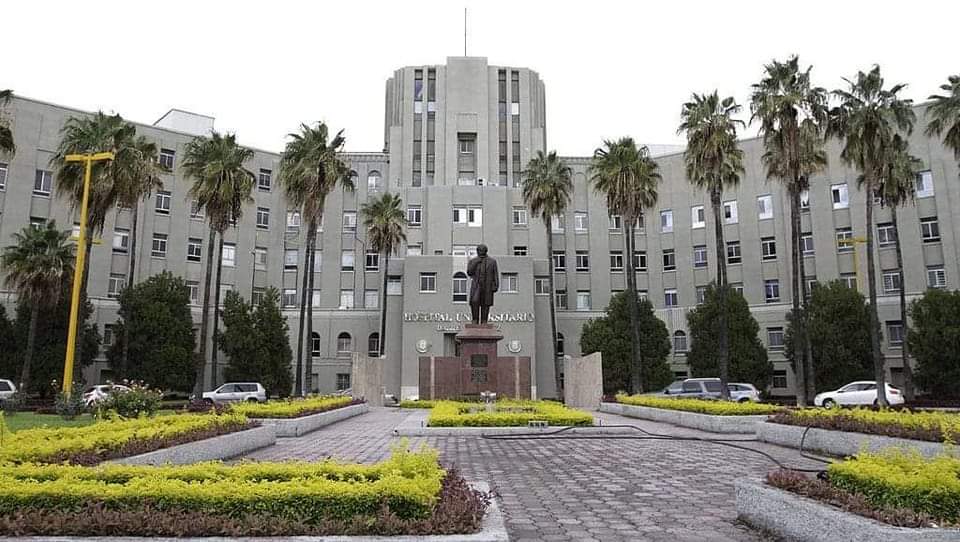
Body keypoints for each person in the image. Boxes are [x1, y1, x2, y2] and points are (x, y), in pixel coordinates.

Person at [466, 244, 499, 324]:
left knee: (485, 303)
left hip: (487, 286)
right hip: (477, 285)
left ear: (485, 251)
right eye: (479, 251)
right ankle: (475, 319)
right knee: (474, 301)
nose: (480, 252)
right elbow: (469, 272)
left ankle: (484, 320)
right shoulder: (473, 261)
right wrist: (476, 262)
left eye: (482, 251)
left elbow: (495, 274)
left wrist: (496, 285)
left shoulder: (492, 261)